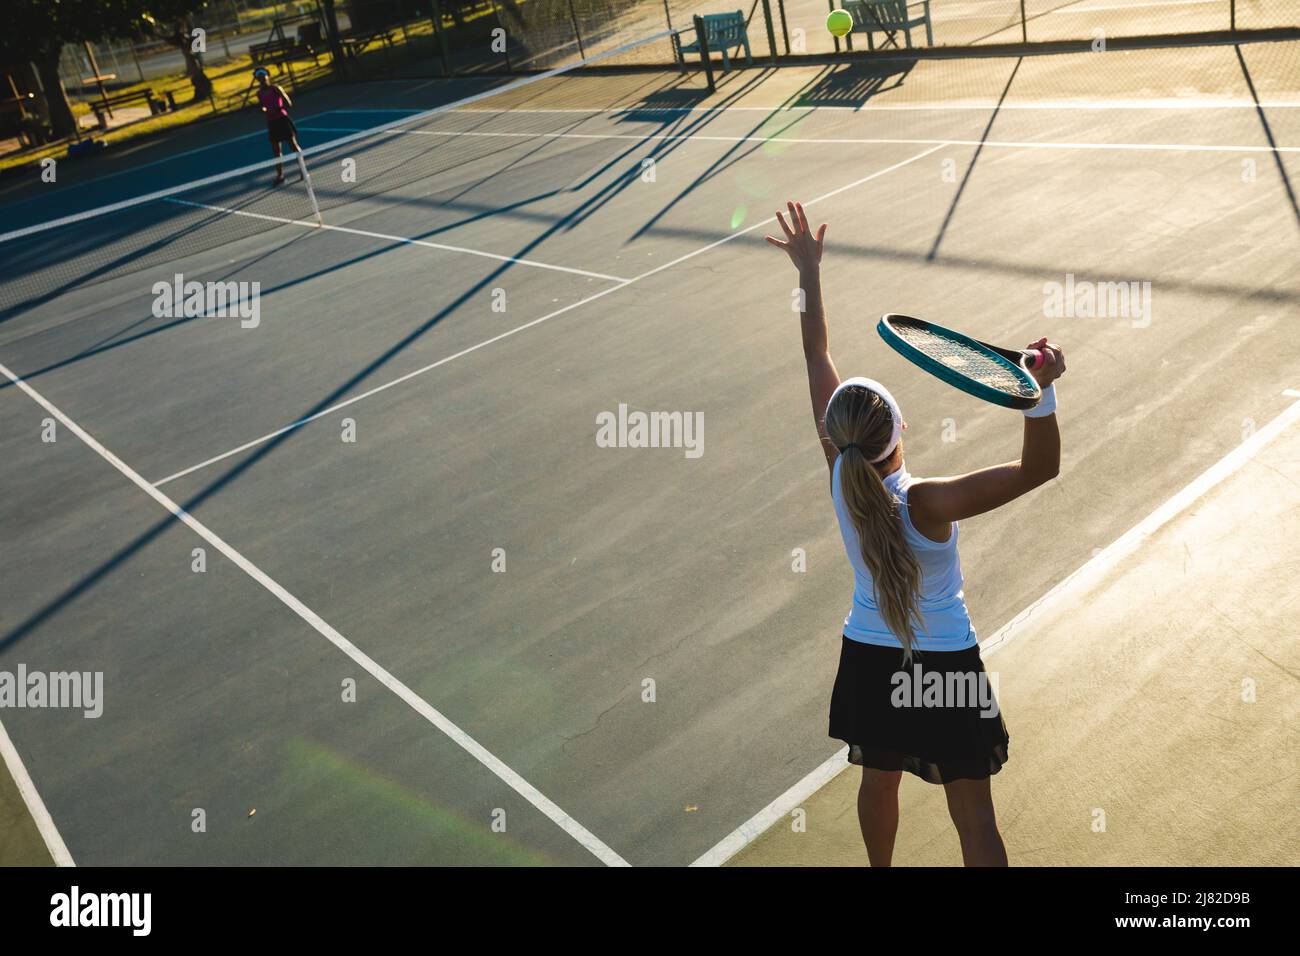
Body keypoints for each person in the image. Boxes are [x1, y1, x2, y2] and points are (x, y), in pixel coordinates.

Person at [765, 201, 1066, 867]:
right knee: (973, 817)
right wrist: (1040, 392)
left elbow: (816, 354)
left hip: (871, 660)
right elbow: (1040, 468)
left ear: (835, 438)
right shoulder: (928, 501)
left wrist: (809, 275)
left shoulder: (843, 480)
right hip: (946, 668)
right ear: (899, 432)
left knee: (879, 781)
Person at [254, 67, 301, 185]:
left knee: (293, 146)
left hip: (282, 120)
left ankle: (303, 170)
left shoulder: (276, 88)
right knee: (276, 151)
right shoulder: (259, 93)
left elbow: (288, 103)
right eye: (259, 77)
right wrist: (262, 110)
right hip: (272, 123)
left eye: (263, 75)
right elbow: (262, 107)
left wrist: (277, 109)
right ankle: (280, 175)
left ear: (267, 76)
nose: (261, 78)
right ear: (257, 79)